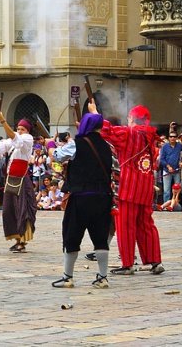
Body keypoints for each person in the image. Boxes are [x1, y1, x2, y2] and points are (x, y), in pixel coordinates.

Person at [92, 102, 165, 275]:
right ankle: (155, 261)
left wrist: (95, 113)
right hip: (145, 187)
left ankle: (127, 263)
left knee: (125, 225)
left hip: (128, 187)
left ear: (132, 118)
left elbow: (106, 131)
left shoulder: (129, 133)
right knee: (146, 225)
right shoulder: (152, 137)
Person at [49, 113, 113, 289]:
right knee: (101, 238)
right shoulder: (107, 146)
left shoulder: (76, 144)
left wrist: (51, 144)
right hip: (103, 198)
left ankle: (67, 277)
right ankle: (102, 277)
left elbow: (57, 156)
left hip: (81, 198)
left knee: (72, 236)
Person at [0, 114, 37, 253]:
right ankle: (16, 238)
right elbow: (1, 146)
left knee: (22, 210)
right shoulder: (14, 139)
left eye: (22, 129)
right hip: (11, 180)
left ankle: (22, 241)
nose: (19, 131)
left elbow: (17, 140)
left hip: (22, 180)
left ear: (27, 131)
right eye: (18, 128)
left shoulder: (28, 139)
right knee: (9, 210)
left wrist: (3, 121)